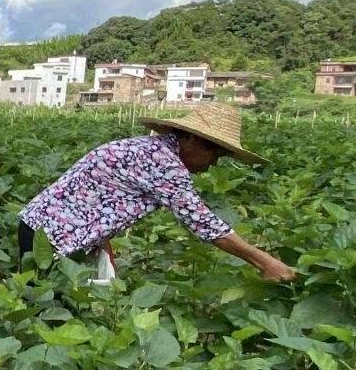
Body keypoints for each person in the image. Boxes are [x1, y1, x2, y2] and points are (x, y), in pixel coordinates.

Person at [17, 102, 296, 282]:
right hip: (49, 237)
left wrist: (105, 247)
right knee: (43, 304)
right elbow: (204, 224)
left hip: (41, 227)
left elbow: (100, 199)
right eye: (214, 154)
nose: (212, 164)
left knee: (47, 298)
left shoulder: (148, 149)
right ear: (190, 139)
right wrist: (265, 261)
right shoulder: (164, 163)